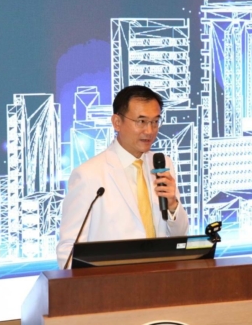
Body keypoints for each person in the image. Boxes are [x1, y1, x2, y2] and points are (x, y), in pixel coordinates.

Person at [56, 85, 189, 268]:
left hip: (159, 277)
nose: (149, 131)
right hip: (110, 281)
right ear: (117, 122)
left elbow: (180, 236)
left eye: (155, 122)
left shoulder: (162, 165)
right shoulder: (88, 175)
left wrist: (173, 205)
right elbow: (68, 251)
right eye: (141, 121)